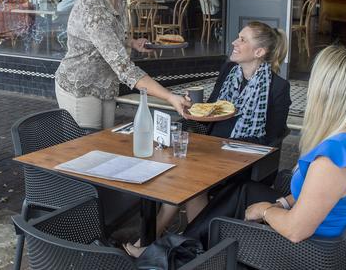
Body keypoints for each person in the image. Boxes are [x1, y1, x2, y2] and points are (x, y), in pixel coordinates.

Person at [183, 45, 346, 248]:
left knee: (220, 223)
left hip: (306, 251)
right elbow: (323, 194)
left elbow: (295, 231)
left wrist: (266, 211)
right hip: (333, 236)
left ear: (325, 93)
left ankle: (177, 253)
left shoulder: (332, 161)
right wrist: (283, 203)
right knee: (242, 191)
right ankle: (183, 245)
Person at [124, 21, 291, 256]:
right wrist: (193, 109)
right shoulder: (228, 72)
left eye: (242, 39)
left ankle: (159, 246)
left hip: (245, 161)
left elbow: (272, 138)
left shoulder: (277, 87)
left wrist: (234, 149)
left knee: (189, 181)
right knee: (182, 176)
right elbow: (211, 111)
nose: (234, 42)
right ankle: (190, 248)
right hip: (211, 150)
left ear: (259, 52)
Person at [54, 0, 190, 130]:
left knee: (104, 148)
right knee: (87, 154)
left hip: (106, 85)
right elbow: (124, 68)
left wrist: (131, 42)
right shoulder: (93, 5)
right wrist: (169, 97)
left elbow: (107, 36)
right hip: (79, 86)